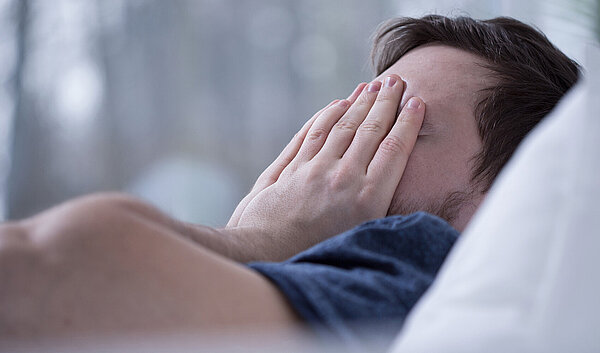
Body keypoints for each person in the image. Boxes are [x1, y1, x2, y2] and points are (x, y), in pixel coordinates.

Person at [0, 15, 579, 342]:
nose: (328, 150)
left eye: (391, 127)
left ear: (509, 190)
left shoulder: (414, 258)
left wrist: (255, 241)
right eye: (348, 119)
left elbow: (40, 273)